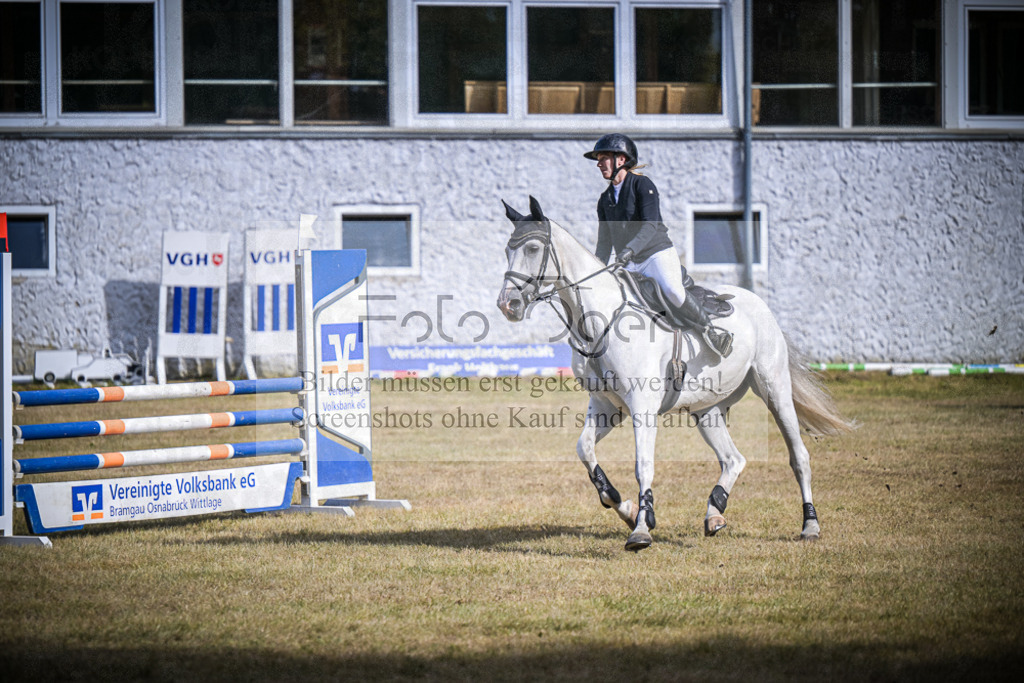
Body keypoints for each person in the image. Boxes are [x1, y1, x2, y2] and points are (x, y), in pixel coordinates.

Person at [585, 133, 732, 357]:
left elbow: (651, 225)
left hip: (656, 254)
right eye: (599, 159)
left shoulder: (642, 185)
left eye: (603, 158)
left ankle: (711, 333)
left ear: (621, 160)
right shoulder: (604, 200)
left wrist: (629, 250)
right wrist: (596, 270)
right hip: (629, 262)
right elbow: (604, 242)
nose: (598, 163)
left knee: (673, 291)